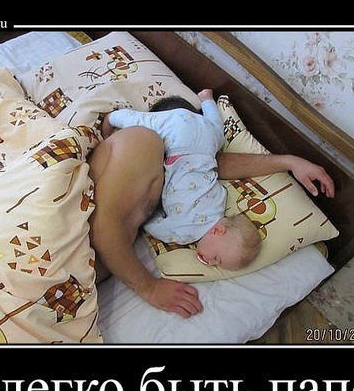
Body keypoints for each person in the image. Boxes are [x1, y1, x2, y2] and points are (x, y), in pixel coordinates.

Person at [87, 99, 335, 319]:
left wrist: (289, 162)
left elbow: (211, 165)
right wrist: (150, 288)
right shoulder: (143, 140)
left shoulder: (179, 170)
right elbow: (103, 231)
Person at [101, 89, 261, 270]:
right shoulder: (185, 233)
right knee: (142, 123)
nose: (211, 263)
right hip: (179, 141)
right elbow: (150, 223)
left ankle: (207, 100)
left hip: (205, 138)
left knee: (218, 133)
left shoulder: (220, 204)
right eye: (217, 258)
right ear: (218, 231)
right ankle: (113, 118)